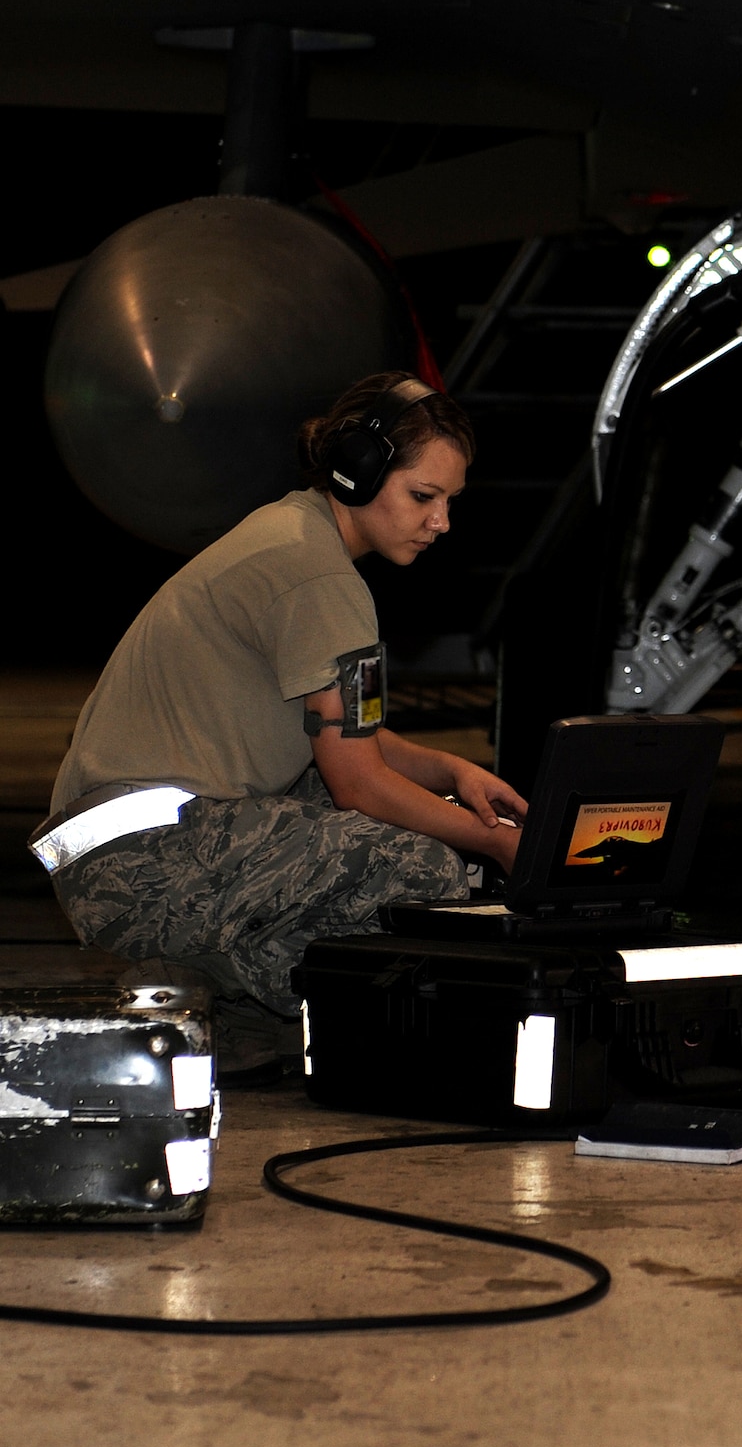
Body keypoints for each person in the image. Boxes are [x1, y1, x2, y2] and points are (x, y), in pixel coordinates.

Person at [32, 372, 525, 1078]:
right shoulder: (320, 582)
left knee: (426, 818)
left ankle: (221, 1010)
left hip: (122, 840)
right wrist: (497, 844)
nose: (441, 521)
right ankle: (265, 1001)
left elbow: (353, 734)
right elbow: (357, 782)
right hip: (133, 860)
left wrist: (453, 773)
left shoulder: (296, 536)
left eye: (450, 501)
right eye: (424, 496)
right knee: (422, 862)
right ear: (356, 474)